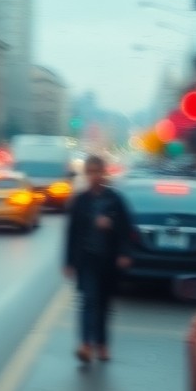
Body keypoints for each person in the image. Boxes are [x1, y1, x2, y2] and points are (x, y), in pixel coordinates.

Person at [63, 155, 136, 365]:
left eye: (98, 172)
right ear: (86, 174)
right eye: (91, 172)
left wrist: (124, 252)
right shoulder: (80, 201)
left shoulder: (115, 199)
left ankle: (102, 344)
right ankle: (85, 344)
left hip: (109, 261)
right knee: (88, 301)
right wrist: (68, 261)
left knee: (104, 304)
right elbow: (72, 232)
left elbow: (127, 230)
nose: (94, 176)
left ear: (104, 173)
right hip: (87, 260)